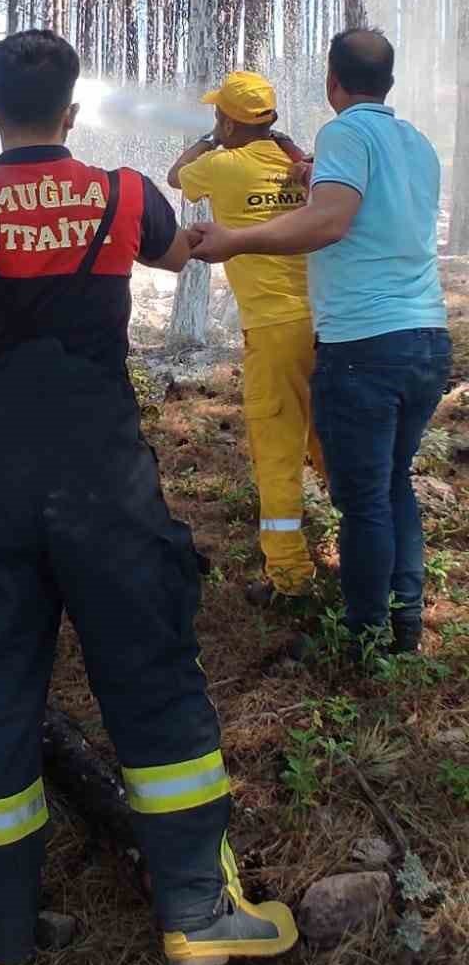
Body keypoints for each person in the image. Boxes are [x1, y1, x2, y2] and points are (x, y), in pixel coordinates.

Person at [0, 30, 297, 965]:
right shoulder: (124, 194)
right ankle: (197, 912)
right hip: (105, 479)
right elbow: (178, 255)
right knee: (154, 678)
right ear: (76, 111)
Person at [191, 29, 451, 654]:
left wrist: (236, 240)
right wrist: (310, 175)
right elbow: (369, 212)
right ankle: (405, 622)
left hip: (366, 343)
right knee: (391, 483)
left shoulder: (343, 132)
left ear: (334, 82)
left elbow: (331, 221)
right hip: (426, 336)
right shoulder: (415, 142)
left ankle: (363, 636)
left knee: (361, 498)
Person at [168, 70, 323, 605]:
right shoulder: (300, 164)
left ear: (229, 121)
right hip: (329, 324)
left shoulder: (219, 163)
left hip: (275, 330)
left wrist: (209, 139)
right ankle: (371, 556)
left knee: (277, 452)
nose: (214, 121)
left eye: (218, 115)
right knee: (333, 445)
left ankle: (289, 579)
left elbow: (175, 176)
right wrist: (280, 140)